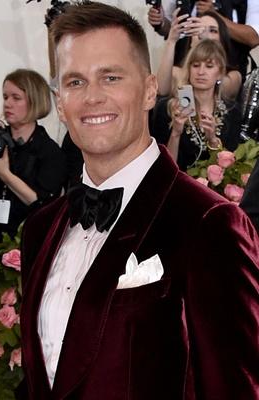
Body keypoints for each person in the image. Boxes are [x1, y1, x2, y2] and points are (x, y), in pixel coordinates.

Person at [19, 2, 259, 399]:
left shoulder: (208, 222)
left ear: (149, 90)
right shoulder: (39, 231)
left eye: (111, 77)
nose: (92, 97)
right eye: (76, 82)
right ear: (59, 102)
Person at [0, 69, 67, 244]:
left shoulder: (49, 152)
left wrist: (4, 173)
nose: (7, 104)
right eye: (5, 97)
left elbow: (43, 204)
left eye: (16, 98)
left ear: (35, 101)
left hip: (24, 242)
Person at [151, 38, 242, 170]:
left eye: (209, 66)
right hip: (177, 180)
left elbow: (230, 171)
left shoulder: (232, 112)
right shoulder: (167, 108)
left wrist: (213, 140)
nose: (201, 72)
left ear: (220, 73)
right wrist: (176, 133)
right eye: (196, 65)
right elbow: (163, 169)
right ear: (189, 69)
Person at [155, 9, 242, 100]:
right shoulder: (177, 72)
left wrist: (204, 45)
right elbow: (162, 90)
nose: (203, 34)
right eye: (199, 29)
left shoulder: (233, 76)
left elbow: (213, 91)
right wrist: (172, 40)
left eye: (213, 31)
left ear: (222, 38)